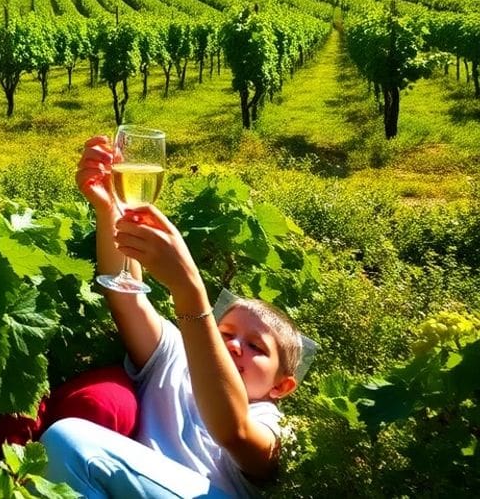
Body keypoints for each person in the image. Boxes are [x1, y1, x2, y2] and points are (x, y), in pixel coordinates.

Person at [40, 135, 305, 498]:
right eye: (225, 331)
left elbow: (234, 431)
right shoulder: (177, 357)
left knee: (70, 441)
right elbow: (125, 298)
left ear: (281, 386)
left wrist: (190, 291)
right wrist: (108, 210)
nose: (233, 345)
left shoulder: (268, 419)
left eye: (256, 345)